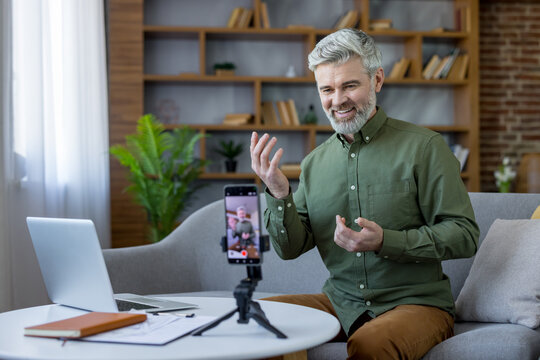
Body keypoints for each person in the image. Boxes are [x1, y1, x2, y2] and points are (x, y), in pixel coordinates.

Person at [250, 28, 479, 359]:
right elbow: (290, 248)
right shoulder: (315, 163)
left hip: (417, 304)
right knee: (257, 318)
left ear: (377, 80)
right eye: (327, 89)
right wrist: (278, 193)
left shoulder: (425, 147)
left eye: (350, 85)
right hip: (342, 302)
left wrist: (385, 241)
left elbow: (464, 235)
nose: (337, 99)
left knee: (370, 343)